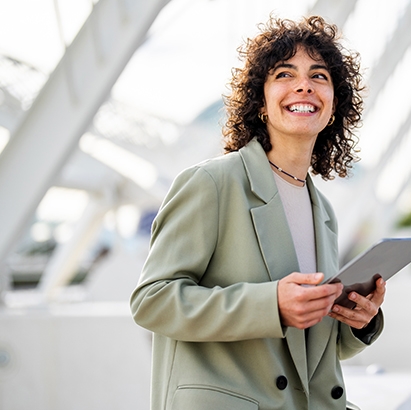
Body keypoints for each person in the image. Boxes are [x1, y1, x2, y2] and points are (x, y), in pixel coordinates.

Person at [130, 15, 385, 410]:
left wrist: (357, 319)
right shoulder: (212, 183)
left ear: (334, 106)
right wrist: (270, 305)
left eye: (319, 76)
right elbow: (152, 301)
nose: (304, 85)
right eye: (285, 73)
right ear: (260, 102)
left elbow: (308, 354)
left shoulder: (325, 211)